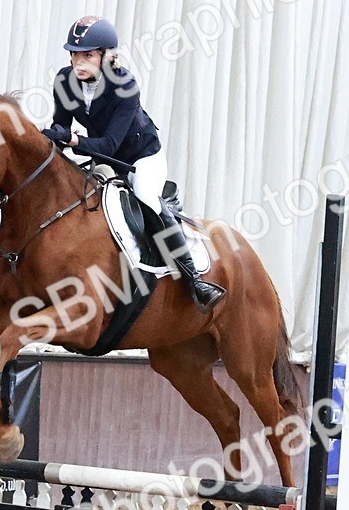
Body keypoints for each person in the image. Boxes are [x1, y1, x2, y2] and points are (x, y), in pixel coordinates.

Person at [41, 15, 225, 312]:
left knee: (146, 196)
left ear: (107, 56)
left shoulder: (125, 86)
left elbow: (110, 144)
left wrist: (73, 141)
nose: (78, 62)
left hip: (141, 158)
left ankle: (193, 278)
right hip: (104, 158)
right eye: (74, 54)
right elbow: (61, 126)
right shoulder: (65, 80)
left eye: (87, 55)